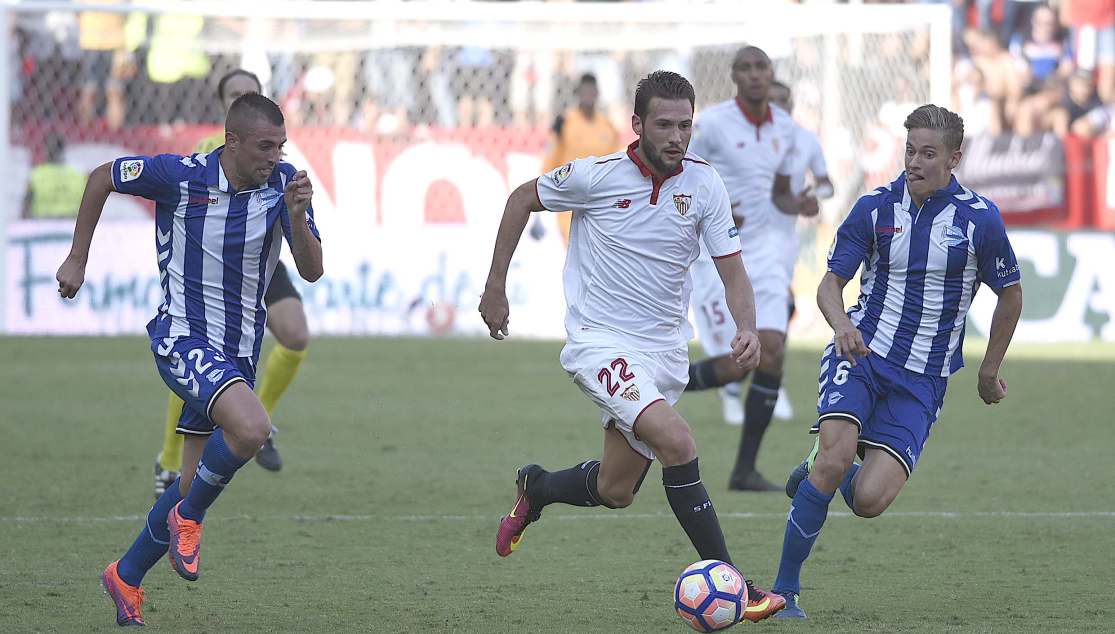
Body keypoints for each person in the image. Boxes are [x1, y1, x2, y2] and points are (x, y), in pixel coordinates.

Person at [479, 70, 786, 623]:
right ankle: (737, 585)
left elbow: (733, 272)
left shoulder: (705, 185)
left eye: (685, 126)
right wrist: (495, 284)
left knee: (616, 489)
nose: (676, 137)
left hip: (664, 353)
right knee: (678, 441)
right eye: (664, 125)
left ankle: (537, 487)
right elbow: (522, 197)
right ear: (638, 124)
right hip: (599, 344)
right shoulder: (597, 176)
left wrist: (747, 326)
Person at [55, 93, 322, 627]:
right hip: (183, 338)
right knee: (251, 429)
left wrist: (298, 216)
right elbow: (102, 176)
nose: (276, 155)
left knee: (189, 480)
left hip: (238, 355)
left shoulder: (284, 185)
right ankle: (189, 517)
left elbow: (312, 271)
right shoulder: (178, 176)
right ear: (233, 141)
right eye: (265, 146)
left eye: (281, 145)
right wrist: (77, 258)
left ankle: (126, 576)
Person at [772, 105, 1023, 618]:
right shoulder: (874, 208)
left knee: (868, 500)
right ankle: (785, 591)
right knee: (837, 456)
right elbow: (829, 286)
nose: (914, 162)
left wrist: (988, 369)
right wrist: (842, 325)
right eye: (910, 150)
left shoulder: (980, 220)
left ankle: (821, 470)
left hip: (923, 380)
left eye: (928, 154)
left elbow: (1011, 295)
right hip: (861, 353)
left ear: (954, 158)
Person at [154, 70, 312, 497]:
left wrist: (297, 214)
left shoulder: (277, 161)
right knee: (201, 355)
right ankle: (170, 460)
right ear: (228, 111)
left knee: (296, 335)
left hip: (261, 260)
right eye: (234, 94)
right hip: (210, 265)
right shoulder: (205, 154)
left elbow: (311, 261)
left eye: (249, 91)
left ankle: (260, 418)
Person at [683, 47, 819, 492]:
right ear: (735, 76)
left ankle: (744, 469)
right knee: (733, 366)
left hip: (762, 253)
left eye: (762, 67)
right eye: (747, 67)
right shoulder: (713, 124)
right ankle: (656, 382)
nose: (756, 75)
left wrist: (797, 202)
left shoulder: (784, 127)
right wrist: (713, 214)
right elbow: (681, 172)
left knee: (772, 351)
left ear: (771, 74)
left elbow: (779, 190)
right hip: (715, 254)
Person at [765, 80, 835, 424]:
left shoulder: (804, 140)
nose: (778, 107)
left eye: (783, 101)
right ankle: (736, 381)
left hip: (782, 242)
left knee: (781, 310)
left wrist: (813, 195)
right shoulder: (747, 142)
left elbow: (826, 182)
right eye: (771, 101)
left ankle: (770, 386)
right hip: (738, 240)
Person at [539, 73, 621, 245]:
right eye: (584, 92)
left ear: (598, 93)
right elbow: (549, 161)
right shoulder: (564, 123)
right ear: (577, 94)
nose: (588, 96)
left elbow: (617, 166)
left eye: (592, 92)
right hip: (570, 199)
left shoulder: (607, 127)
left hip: (600, 200)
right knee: (574, 251)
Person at [22, 133, 88, 219]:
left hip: (42, 223)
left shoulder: (37, 174)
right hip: (72, 222)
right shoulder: (78, 174)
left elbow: (25, 208)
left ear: (46, 150)